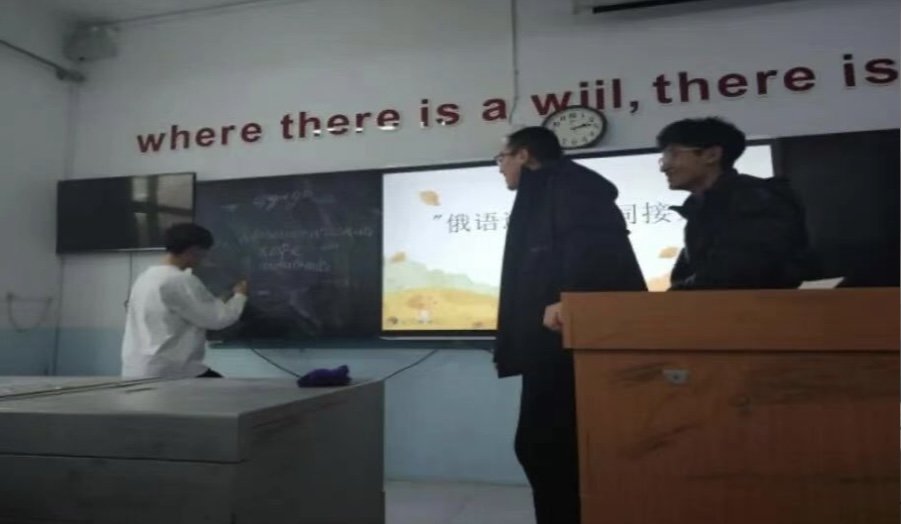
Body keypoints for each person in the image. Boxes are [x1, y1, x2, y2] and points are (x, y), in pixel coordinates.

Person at [493, 127, 647, 524]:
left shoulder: (574, 187)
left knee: (547, 446)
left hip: (570, 339)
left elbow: (595, 251)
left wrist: (571, 297)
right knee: (545, 448)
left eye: (502, 158)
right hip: (552, 342)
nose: (500, 168)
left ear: (524, 155)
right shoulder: (545, 190)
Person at [657, 117, 809, 290]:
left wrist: (678, 295)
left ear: (712, 155)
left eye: (673, 154)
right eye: (664, 157)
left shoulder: (756, 200)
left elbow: (737, 273)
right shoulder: (699, 210)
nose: (664, 167)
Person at [121, 223, 248, 379]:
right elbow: (218, 318)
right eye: (203, 254)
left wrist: (220, 301)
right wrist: (240, 295)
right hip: (172, 370)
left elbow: (185, 308)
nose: (203, 260)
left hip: (138, 368)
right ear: (192, 251)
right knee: (228, 391)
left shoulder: (146, 277)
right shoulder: (180, 280)